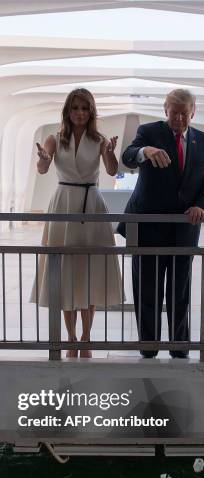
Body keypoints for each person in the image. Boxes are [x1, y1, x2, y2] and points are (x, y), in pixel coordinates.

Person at [118, 88, 204, 358]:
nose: (178, 119)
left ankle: (179, 346)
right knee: (148, 289)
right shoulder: (148, 131)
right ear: (165, 110)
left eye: (184, 114)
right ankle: (149, 347)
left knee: (180, 289)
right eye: (174, 113)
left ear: (193, 112)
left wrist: (202, 205)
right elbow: (127, 156)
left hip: (184, 228)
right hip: (148, 225)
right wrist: (145, 151)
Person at [30, 87, 122, 358]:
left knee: (90, 273)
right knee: (66, 273)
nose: (80, 113)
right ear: (67, 111)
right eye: (75, 108)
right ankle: (70, 336)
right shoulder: (55, 139)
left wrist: (110, 152)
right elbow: (43, 167)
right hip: (64, 203)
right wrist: (44, 160)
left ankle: (85, 336)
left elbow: (113, 170)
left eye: (85, 108)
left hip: (92, 205)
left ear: (91, 111)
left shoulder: (100, 139)